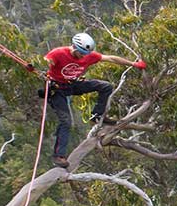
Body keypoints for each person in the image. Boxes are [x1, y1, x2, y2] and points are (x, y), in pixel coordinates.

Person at [44, 32, 146, 168]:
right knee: (66, 122)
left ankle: (96, 115)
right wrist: (38, 70)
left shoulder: (89, 55)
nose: (83, 57)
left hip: (73, 85)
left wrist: (134, 64)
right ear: (74, 47)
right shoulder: (58, 53)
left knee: (105, 86)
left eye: (85, 54)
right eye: (81, 53)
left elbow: (111, 59)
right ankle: (58, 156)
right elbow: (46, 62)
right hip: (56, 89)